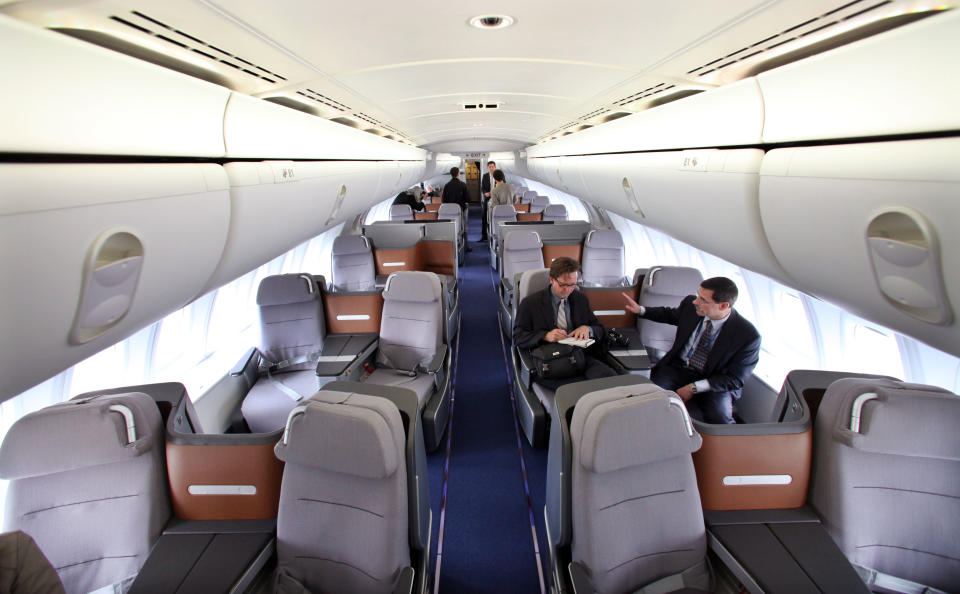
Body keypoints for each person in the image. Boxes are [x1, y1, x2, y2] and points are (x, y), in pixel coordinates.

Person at [622, 277, 760, 424]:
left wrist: (693, 388)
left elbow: (735, 379)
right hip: (678, 368)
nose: (696, 301)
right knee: (651, 398)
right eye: (698, 295)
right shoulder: (690, 306)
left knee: (720, 418)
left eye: (703, 300)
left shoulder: (747, 336)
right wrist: (641, 310)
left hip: (714, 381)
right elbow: (669, 314)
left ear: (723, 305)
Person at [514, 257, 618, 390]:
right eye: (564, 285)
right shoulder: (530, 304)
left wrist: (588, 329)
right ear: (552, 280)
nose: (569, 290)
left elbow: (599, 329)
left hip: (579, 356)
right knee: (577, 393)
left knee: (612, 383)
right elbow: (518, 336)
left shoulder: (580, 299)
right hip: (550, 361)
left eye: (573, 285)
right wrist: (545, 336)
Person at [443, 167, 471, 248]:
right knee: (463, 227)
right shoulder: (462, 185)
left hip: (449, 211)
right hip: (460, 209)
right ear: (458, 174)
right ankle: (465, 245)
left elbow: (444, 200)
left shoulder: (447, 186)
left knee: (452, 228)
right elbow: (468, 199)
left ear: (451, 175)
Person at [480, 161, 496, 241]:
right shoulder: (485, 176)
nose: (491, 168)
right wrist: (485, 193)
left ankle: (494, 235)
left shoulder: (499, 175)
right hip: (487, 198)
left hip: (496, 199)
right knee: (484, 217)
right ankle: (484, 236)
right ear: (488, 168)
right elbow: (482, 187)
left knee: (495, 216)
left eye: (492, 166)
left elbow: (503, 185)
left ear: (495, 167)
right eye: (490, 167)